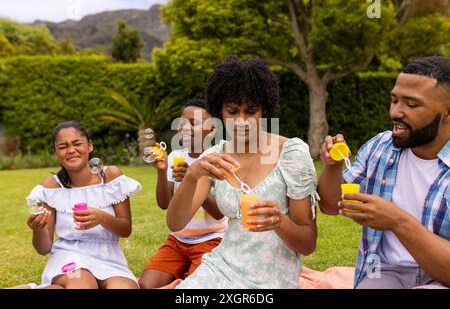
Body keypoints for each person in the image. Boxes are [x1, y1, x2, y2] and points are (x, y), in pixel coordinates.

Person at [167, 56, 318, 288]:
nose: (241, 121)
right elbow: (175, 223)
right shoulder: (215, 158)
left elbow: (308, 243)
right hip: (221, 268)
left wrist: (279, 222)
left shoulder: (290, 154)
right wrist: (192, 175)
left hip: (272, 278)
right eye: (233, 111)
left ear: (264, 110)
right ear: (220, 112)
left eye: (251, 111)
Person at [318, 56, 450, 289]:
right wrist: (332, 165)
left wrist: (396, 220)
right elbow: (330, 205)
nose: (395, 112)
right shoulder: (381, 147)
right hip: (386, 271)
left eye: (412, 104)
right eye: (394, 100)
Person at [25, 121, 140, 289]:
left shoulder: (111, 177)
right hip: (69, 257)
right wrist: (38, 229)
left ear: (90, 145)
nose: (71, 150)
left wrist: (102, 217)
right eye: (63, 147)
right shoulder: (52, 187)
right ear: (56, 153)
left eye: (77, 143)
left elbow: (125, 229)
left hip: (109, 257)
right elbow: (43, 248)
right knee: (82, 285)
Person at [139, 99, 227, 289]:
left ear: (211, 129)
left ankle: (190, 270)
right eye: (182, 123)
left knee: (195, 288)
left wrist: (191, 179)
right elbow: (164, 204)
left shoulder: (217, 158)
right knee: (146, 285)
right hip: (178, 240)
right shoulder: (175, 157)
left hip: (211, 240)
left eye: (193, 123)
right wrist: (162, 171)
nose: (185, 128)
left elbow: (220, 213)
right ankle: (186, 267)